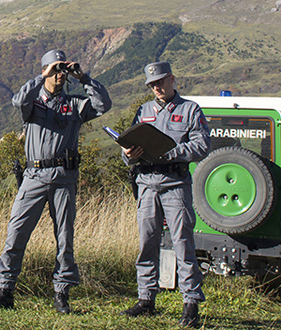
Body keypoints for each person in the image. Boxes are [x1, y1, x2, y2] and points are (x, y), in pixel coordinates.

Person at [0, 49, 112, 312]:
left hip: (64, 177)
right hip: (33, 176)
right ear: (44, 71)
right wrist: (41, 76)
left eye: (61, 70)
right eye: (54, 70)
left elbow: (102, 105)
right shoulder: (33, 104)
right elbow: (18, 100)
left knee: (64, 238)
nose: (59, 75)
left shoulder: (76, 105)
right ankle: (5, 291)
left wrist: (84, 77)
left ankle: (61, 294)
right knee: (16, 233)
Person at [120, 61, 210, 327]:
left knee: (183, 242)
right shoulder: (144, 110)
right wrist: (128, 155)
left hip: (175, 183)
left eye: (160, 82)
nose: (156, 88)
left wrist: (172, 152)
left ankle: (190, 302)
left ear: (172, 79)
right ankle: (146, 299)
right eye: (151, 85)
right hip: (146, 183)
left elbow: (202, 144)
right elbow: (130, 142)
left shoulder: (190, 109)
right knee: (147, 242)